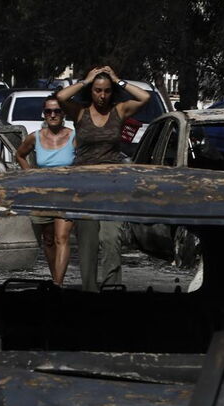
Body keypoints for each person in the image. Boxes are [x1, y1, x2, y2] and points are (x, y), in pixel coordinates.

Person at [56, 65, 150, 292]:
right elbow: (60, 97)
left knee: (110, 239)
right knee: (87, 242)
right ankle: (89, 290)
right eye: (98, 90)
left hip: (112, 187)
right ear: (91, 91)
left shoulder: (119, 111)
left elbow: (145, 97)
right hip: (85, 187)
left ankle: (111, 290)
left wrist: (118, 79)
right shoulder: (80, 112)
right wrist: (85, 80)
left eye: (106, 90)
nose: (102, 95)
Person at [15, 95, 76, 286]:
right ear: (44, 114)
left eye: (57, 111)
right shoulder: (35, 137)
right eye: (48, 111)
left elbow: (85, 161)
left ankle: (58, 285)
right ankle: (55, 280)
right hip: (42, 195)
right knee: (48, 240)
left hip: (67, 194)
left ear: (63, 113)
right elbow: (20, 155)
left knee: (62, 237)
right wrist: (31, 176)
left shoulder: (74, 136)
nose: (53, 115)